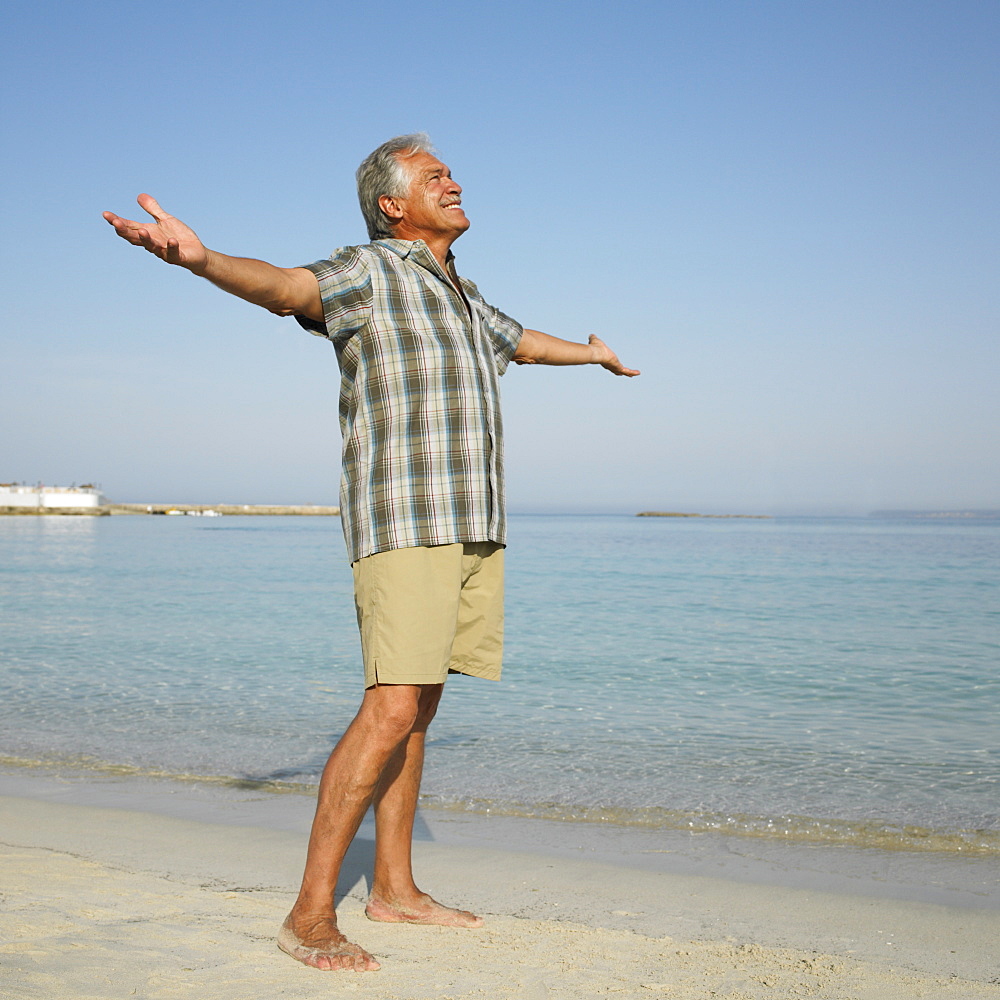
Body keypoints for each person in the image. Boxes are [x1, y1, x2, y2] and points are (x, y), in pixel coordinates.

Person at [103, 133, 639, 973]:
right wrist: (200, 260)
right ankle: (309, 914)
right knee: (390, 706)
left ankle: (393, 888)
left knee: (419, 707)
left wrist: (592, 353)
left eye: (453, 171)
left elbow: (520, 342)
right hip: (405, 519)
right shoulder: (370, 271)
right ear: (394, 205)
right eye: (436, 176)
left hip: (471, 520)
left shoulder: (460, 292)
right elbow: (284, 288)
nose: (455, 181)